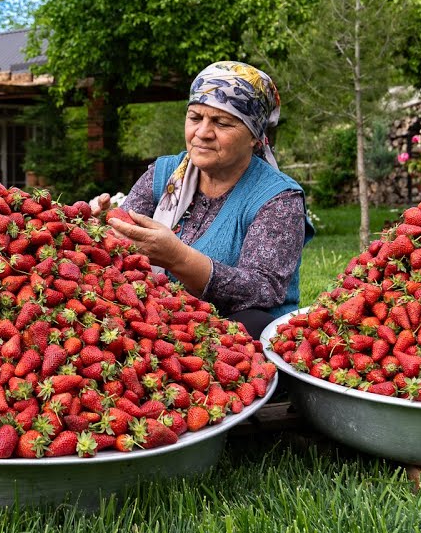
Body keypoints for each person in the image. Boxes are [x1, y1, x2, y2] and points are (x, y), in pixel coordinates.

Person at [94, 61, 313, 338]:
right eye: (195, 118)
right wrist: (99, 231)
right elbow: (120, 255)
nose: (203, 133)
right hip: (161, 315)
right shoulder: (163, 174)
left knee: (250, 325)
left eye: (222, 122)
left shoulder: (278, 198)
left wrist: (178, 258)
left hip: (235, 327)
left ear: (254, 137)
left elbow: (263, 290)